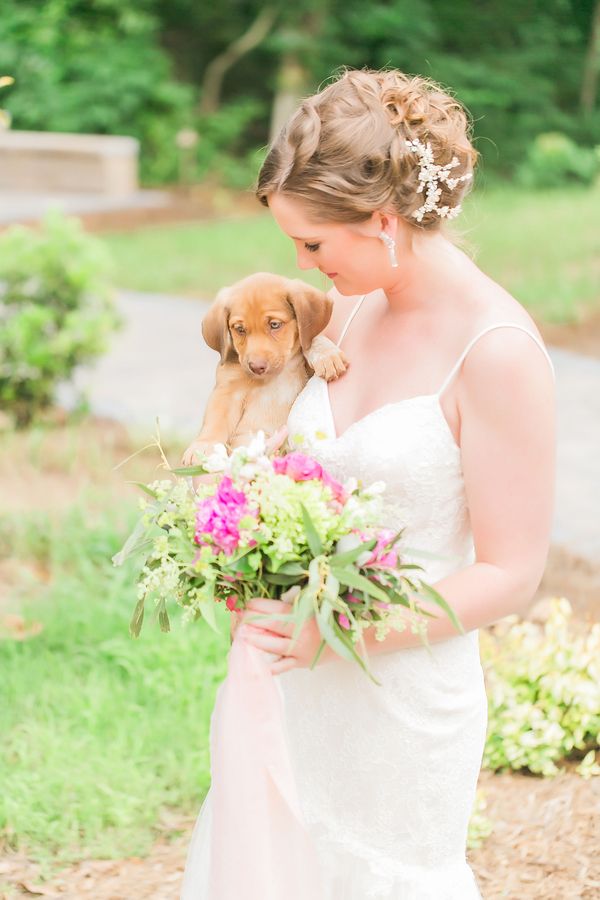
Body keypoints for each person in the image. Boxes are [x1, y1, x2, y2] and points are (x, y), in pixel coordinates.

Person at [181, 68, 555, 898]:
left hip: (399, 703)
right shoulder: (339, 311)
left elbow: (512, 574)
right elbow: (266, 450)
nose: (301, 266)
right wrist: (234, 546)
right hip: (286, 683)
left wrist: (339, 633)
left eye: (312, 244)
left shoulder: (497, 352)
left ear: (384, 220)